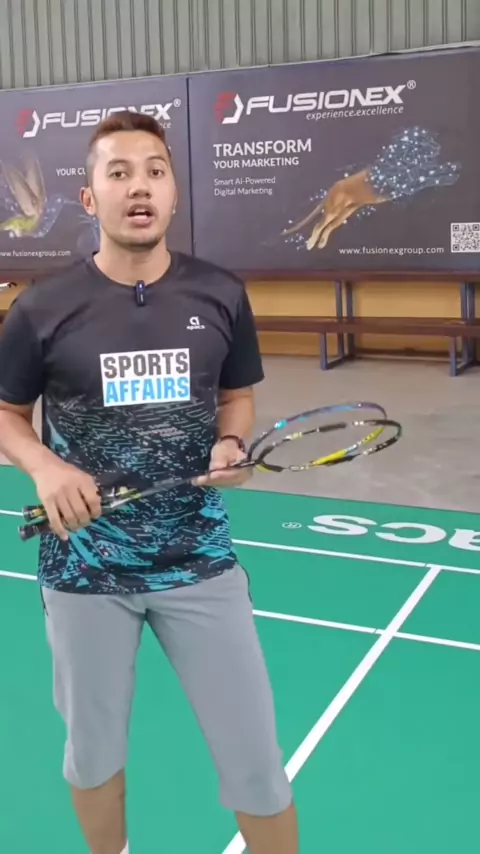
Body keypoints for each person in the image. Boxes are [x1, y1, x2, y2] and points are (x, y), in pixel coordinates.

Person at [0, 111, 299, 854]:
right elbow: (5, 414)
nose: (140, 186)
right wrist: (45, 465)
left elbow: (235, 396)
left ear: (172, 193)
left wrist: (231, 441)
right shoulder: (41, 308)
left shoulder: (220, 294)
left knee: (257, 764)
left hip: (200, 561)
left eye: (155, 171)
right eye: (120, 172)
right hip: (84, 569)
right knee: (93, 755)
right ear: (90, 198)